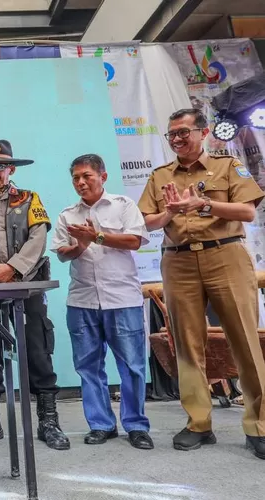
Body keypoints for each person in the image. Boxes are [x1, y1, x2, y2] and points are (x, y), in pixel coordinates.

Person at [138, 108, 265, 459]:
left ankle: (259, 425)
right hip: (178, 260)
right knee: (187, 343)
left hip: (225, 255)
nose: (177, 139)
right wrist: (172, 213)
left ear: (203, 132)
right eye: (171, 135)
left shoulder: (226, 166)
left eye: (183, 132)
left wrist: (204, 204)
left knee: (244, 339)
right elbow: (149, 222)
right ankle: (198, 423)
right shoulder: (161, 175)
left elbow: (248, 212)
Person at [0, 139, 70, 451]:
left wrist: (13, 268)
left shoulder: (30, 199)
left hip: (27, 283)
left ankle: (48, 420)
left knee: (37, 348)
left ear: (10, 169)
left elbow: (39, 238)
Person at [52, 153, 153, 450]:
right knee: (88, 367)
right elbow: (62, 253)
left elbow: (134, 241)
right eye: (76, 178)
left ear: (103, 177)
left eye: (87, 176)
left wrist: (95, 236)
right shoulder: (67, 214)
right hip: (82, 300)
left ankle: (136, 425)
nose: (81, 182)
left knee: (132, 366)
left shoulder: (123, 206)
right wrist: (80, 245)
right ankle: (101, 424)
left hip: (122, 298)